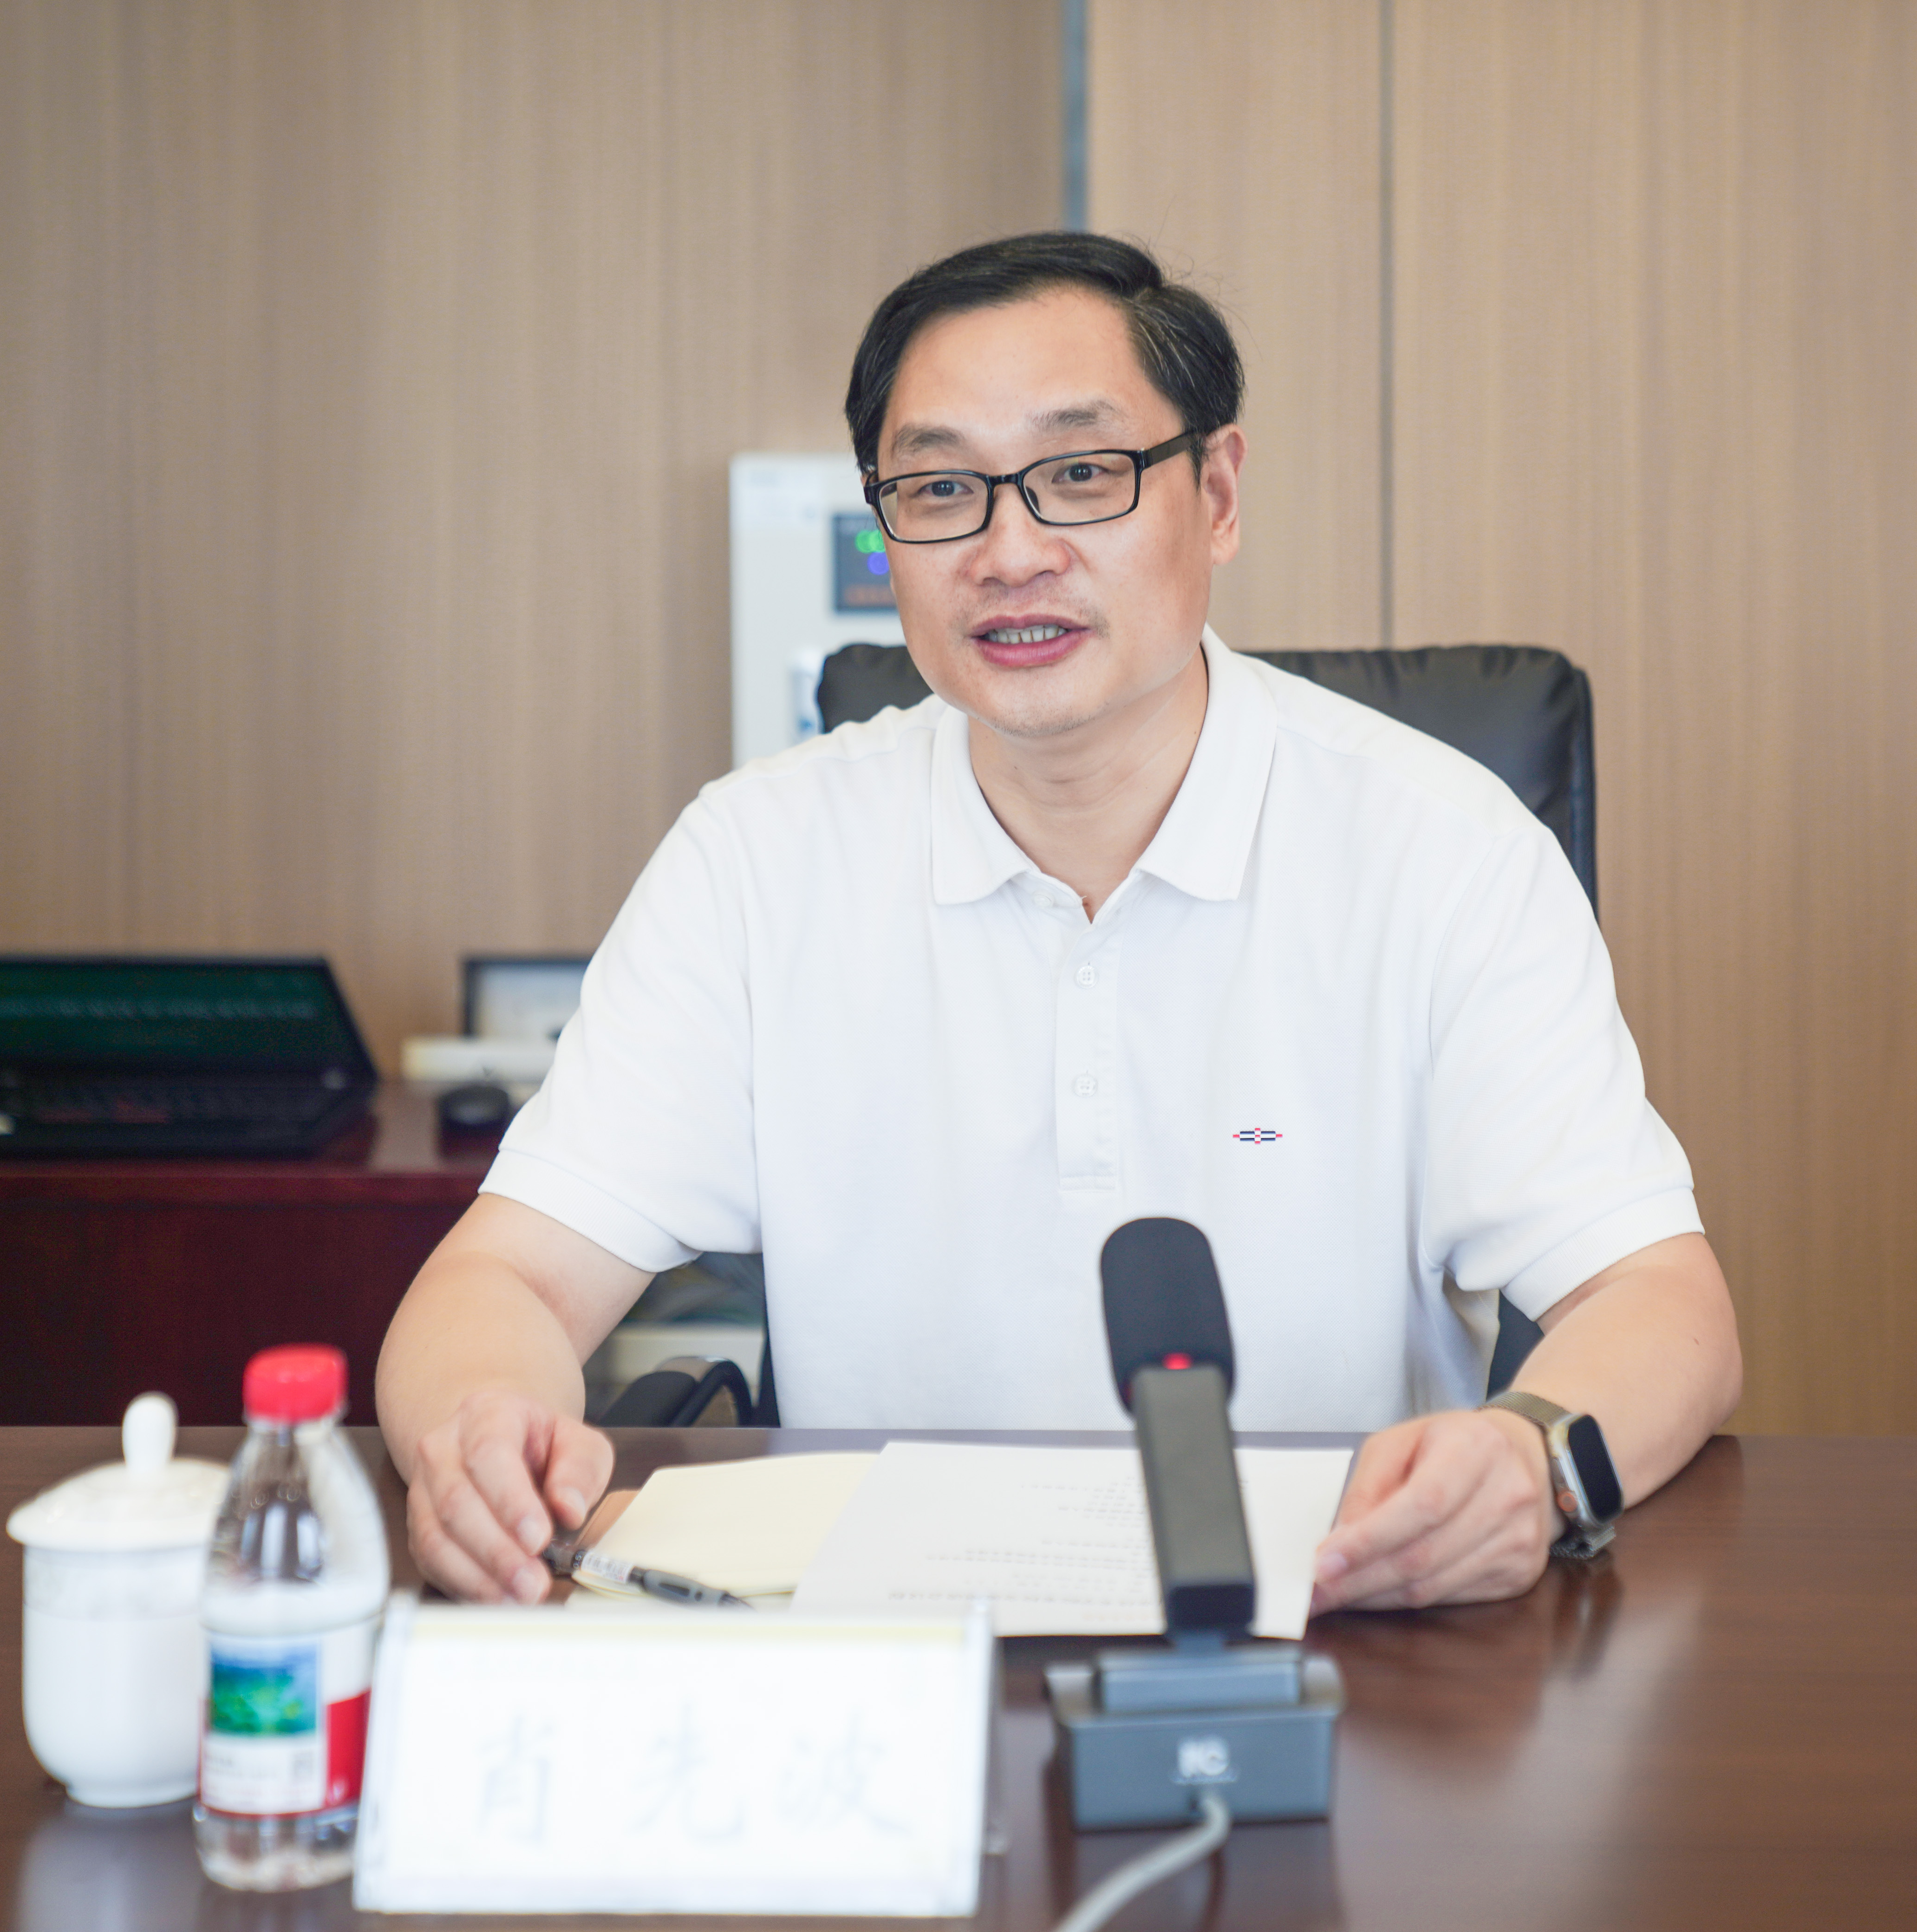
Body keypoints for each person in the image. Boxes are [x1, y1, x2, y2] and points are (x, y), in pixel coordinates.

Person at [377, 232, 1741, 1616]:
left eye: (1083, 474)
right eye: (940, 489)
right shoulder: (756, 860)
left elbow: (1660, 1303)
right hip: (881, 1655)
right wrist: (482, 1437)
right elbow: (509, 1279)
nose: (1011, 551)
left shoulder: (1442, 852)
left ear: (1217, 494)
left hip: (1339, 1636)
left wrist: (1533, 1459)